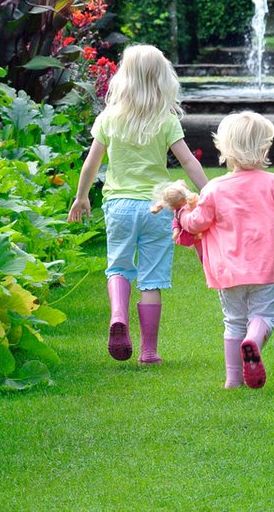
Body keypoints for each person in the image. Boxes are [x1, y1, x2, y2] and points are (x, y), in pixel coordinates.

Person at [68, 45, 207, 365]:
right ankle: (148, 352)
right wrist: (210, 192)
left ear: (124, 78)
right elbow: (188, 162)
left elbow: (92, 163)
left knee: (118, 267)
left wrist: (81, 196)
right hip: (157, 210)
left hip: (118, 207)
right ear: (162, 79)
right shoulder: (166, 119)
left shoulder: (110, 118)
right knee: (152, 279)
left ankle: (119, 316)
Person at [174, 111, 274, 389]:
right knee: (264, 316)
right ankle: (254, 341)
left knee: (233, 321)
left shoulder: (214, 189)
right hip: (265, 268)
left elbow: (197, 221)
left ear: (223, 148)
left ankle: (233, 379)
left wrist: (183, 214)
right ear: (265, 147)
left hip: (229, 270)